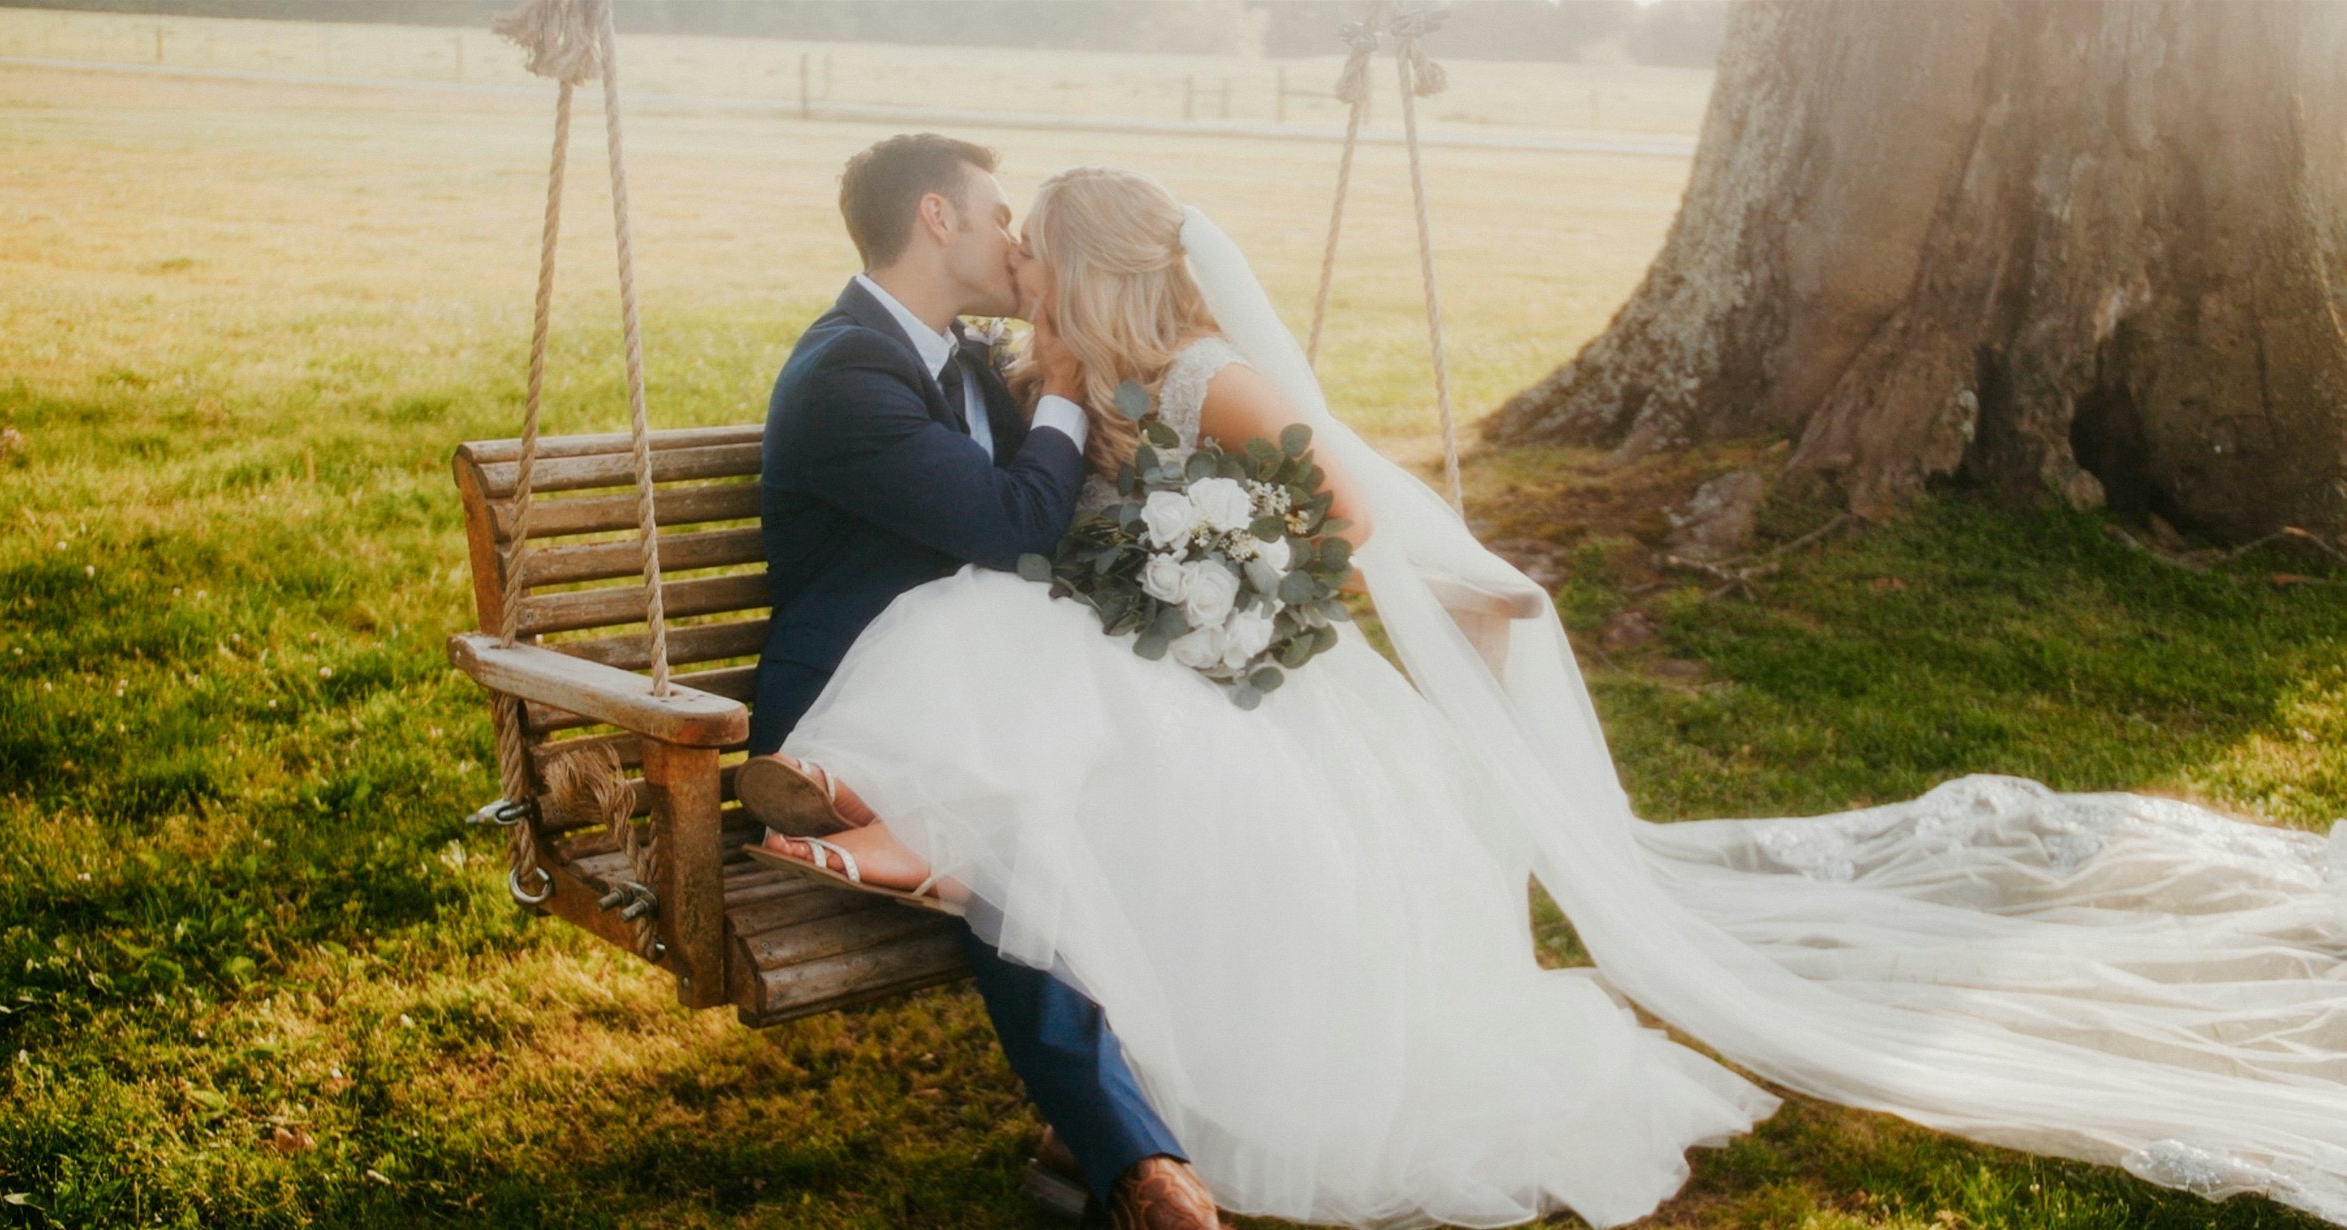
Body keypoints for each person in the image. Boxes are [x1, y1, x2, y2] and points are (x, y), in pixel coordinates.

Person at [747, 161, 2347, 1229]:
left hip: (1214, 648)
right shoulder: (1045, 372)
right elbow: (1035, 510)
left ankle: (1035, 1004)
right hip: (1124, 645)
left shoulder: (1194, 371)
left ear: (1082, 269)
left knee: (1135, 746)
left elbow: (1338, 519)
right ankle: (1000, 967)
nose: (1016, 254)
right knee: (1068, 708)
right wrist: (1144, 561)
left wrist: (1209, 590)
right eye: (1003, 231)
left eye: (1035, 244)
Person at [752, 134, 1228, 1229]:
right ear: (935, 218)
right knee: (1020, 838)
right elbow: (1009, 524)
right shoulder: (844, 374)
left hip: (995, 688)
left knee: (1189, 786)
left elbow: (1064, 495)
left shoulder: (964, 359)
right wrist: (1061, 385)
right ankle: (1135, 1164)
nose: (1015, 239)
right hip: (848, 715)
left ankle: (1115, 1121)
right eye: (998, 215)